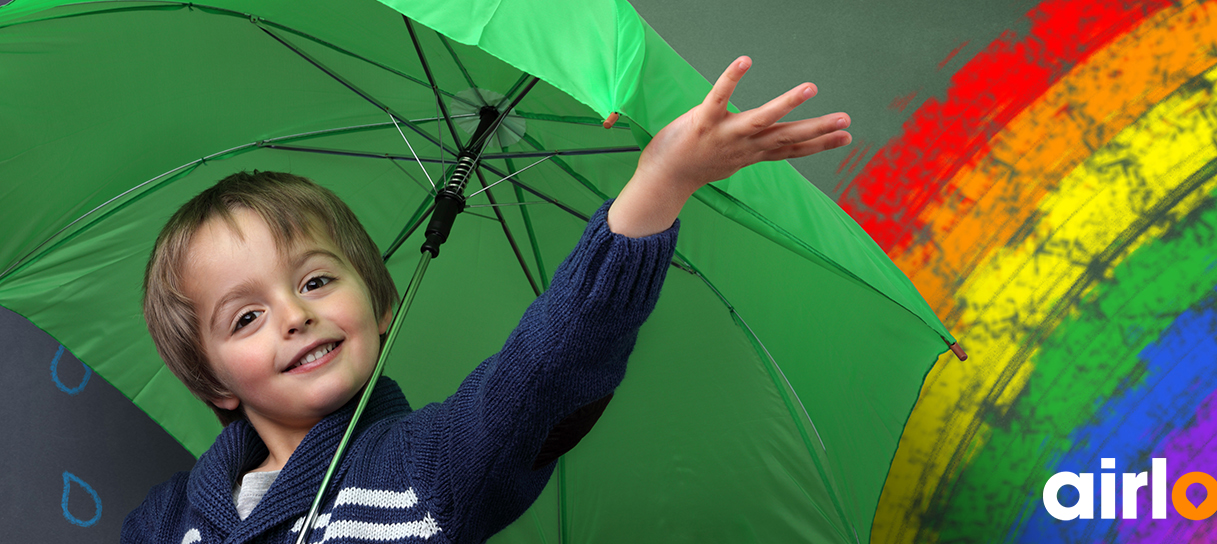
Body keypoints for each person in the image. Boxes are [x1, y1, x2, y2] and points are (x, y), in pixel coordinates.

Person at [124, 58, 851, 543]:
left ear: (381, 305)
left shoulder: (431, 468)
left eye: (316, 281)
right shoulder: (164, 522)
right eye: (246, 317)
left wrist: (659, 185)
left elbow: (543, 374)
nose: (294, 314)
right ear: (211, 375)